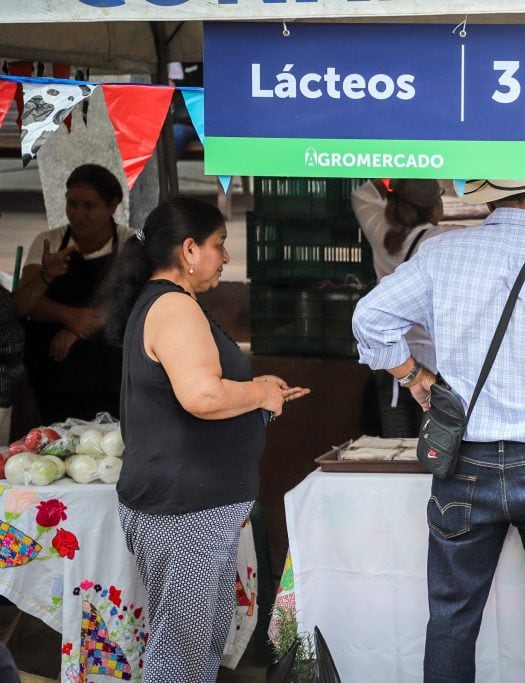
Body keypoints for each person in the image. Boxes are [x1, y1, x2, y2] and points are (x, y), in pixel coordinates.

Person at [352, 156, 525, 682]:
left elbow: (369, 319)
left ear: (488, 198)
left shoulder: (442, 254)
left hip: (464, 462)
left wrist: (414, 375)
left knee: (452, 619)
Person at [101, 197, 309, 682]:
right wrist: (257, 390)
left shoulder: (172, 302)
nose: (226, 257)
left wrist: (258, 397)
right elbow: (201, 395)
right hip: (183, 509)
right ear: (190, 249)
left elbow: (204, 393)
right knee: (181, 654)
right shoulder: (173, 306)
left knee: (196, 647)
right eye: (220, 245)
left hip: (192, 505)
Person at [19, 163, 131, 424]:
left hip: (111, 371)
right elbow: (23, 305)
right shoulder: (49, 242)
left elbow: (132, 297)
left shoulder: (129, 243)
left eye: (89, 206)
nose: (78, 214)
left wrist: (77, 328)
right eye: (72, 204)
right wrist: (66, 311)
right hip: (53, 370)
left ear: (112, 206)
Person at [352, 178, 460, 437]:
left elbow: (362, 194)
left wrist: (400, 171)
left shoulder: (380, 231)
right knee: (436, 451)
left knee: (396, 451)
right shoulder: (446, 238)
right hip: (436, 370)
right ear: (436, 206)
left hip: (393, 368)